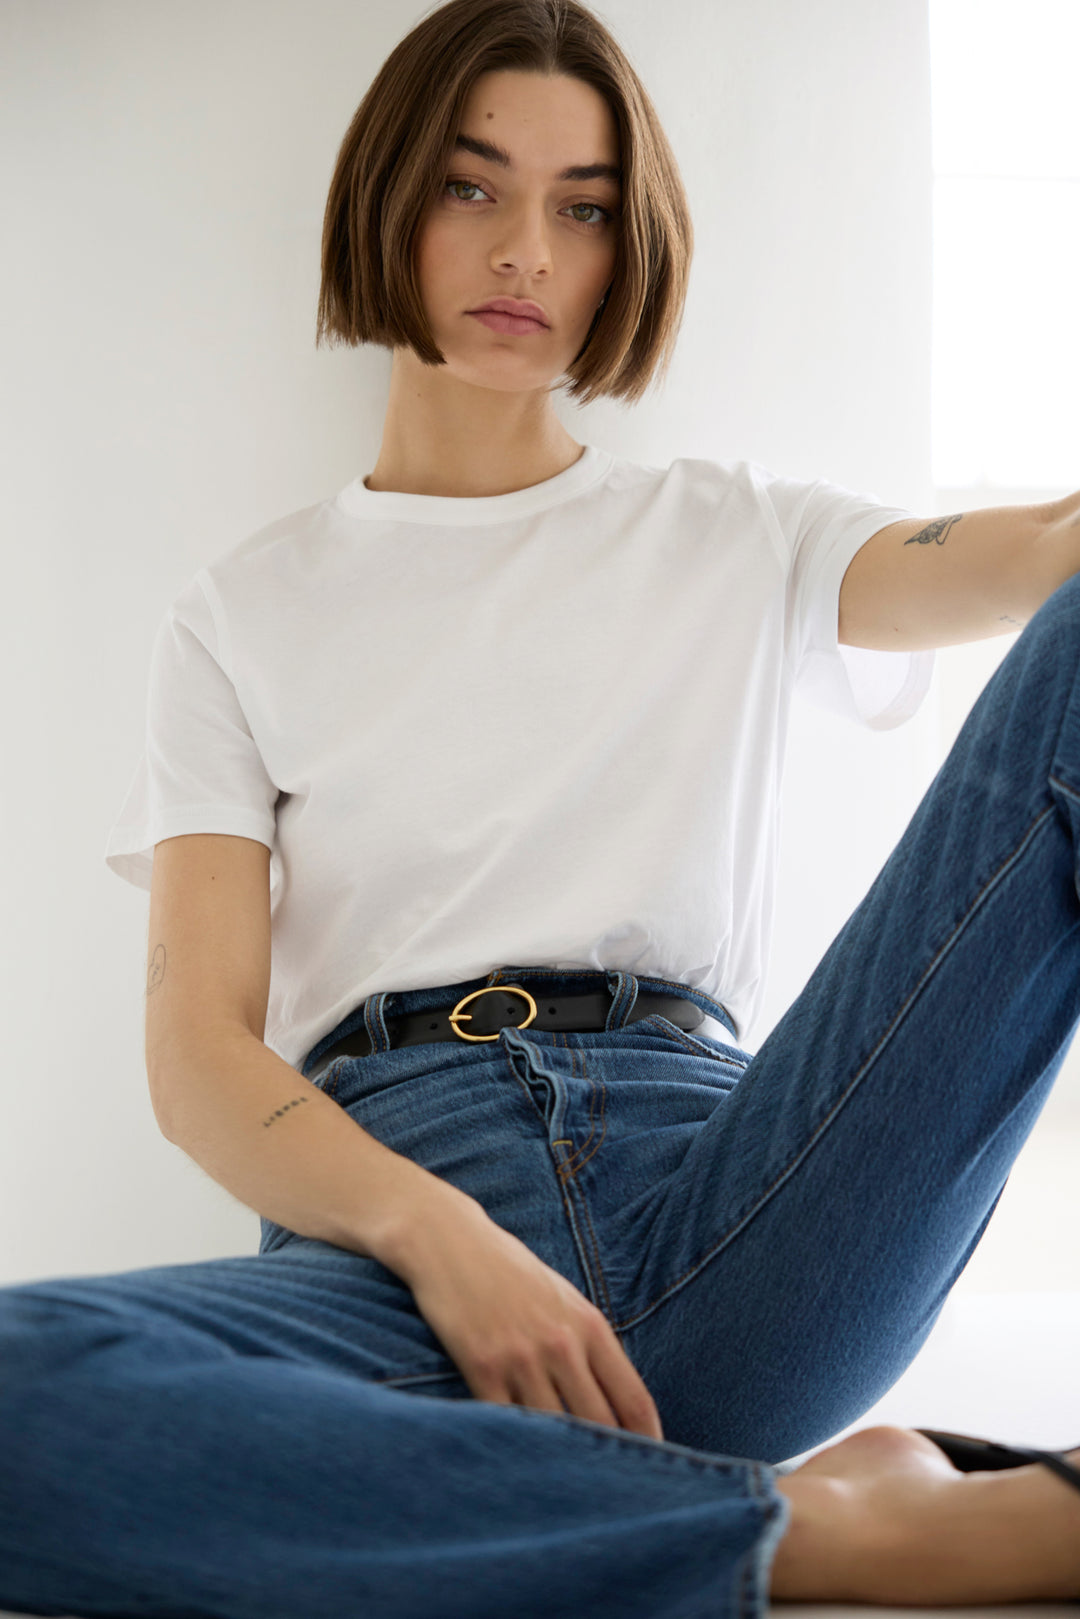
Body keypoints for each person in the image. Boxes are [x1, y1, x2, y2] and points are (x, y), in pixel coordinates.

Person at [1, 0, 1078, 1613]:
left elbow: (1042, 553)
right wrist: (443, 1243)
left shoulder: (738, 532)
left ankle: (610, 1507)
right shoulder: (242, 613)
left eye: (583, 209)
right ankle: (826, 1533)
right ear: (388, 199)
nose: (525, 251)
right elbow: (199, 1059)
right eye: (472, 186)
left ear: (627, 252)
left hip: (744, 1215)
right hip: (391, 1258)